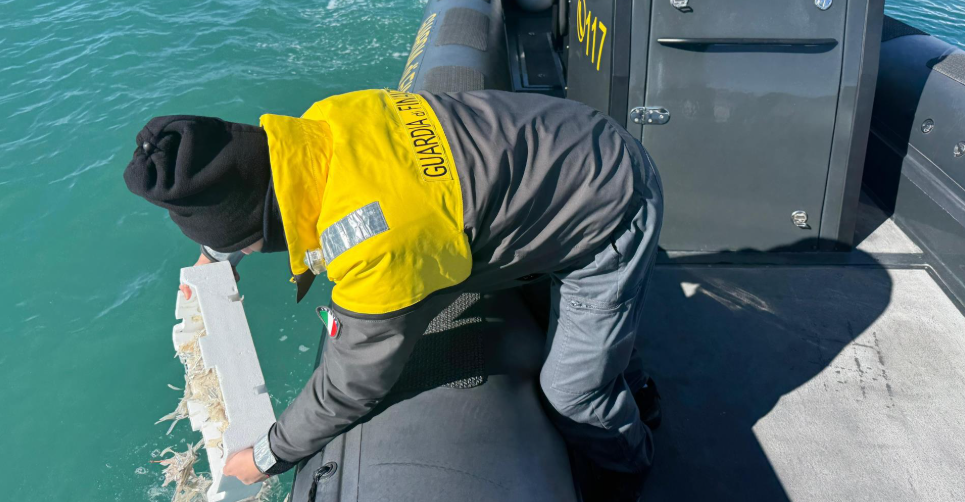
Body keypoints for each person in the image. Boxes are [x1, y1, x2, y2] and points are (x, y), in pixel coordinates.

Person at [124, 88, 663, 500]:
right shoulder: (328, 119)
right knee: (584, 339)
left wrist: (267, 455)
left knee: (574, 396)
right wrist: (217, 255)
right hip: (570, 137)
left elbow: (352, 385)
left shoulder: (373, 241)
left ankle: (633, 468)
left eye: (243, 243)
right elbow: (264, 185)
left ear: (265, 227)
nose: (246, 250)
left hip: (610, 210)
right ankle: (633, 379)